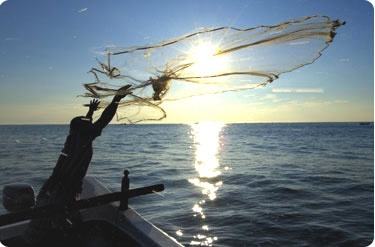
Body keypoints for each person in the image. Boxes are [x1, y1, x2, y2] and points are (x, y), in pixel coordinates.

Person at [23, 85, 132, 246]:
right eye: (88, 124)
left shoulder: (75, 137)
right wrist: (116, 99)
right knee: (60, 230)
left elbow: (90, 124)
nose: (92, 125)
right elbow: (104, 120)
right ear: (84, 130)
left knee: (44, 228)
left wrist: (90, 112)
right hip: (61, 193)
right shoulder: (83, 140)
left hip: (51, 189)